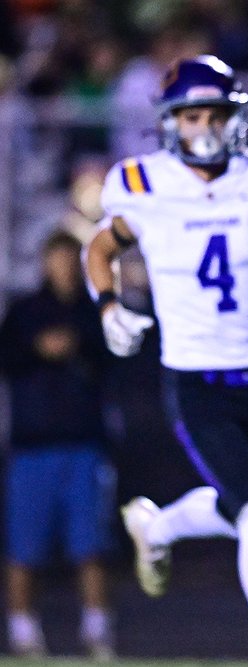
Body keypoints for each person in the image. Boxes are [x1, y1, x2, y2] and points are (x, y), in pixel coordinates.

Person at [84, 55, 248, 667]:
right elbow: (99, 248)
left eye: (216, 114)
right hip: (195, 375)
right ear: (169, 122)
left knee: (241, 504)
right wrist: (108, 306)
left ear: (237, 118)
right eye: (192, 115)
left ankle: (158, 527)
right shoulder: (143, 183)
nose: (204, 127)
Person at [0, 230, 116, 660]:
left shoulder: (93, 312)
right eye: (58, 259)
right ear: (46, 263)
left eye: (71, 260)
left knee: (91, 545)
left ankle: (98, 632)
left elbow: (115, 361)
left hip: (84, 445)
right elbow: (8, 359)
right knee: (23, 548)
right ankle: (23, 632)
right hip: (32, 448)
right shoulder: (25, 313)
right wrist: (38, 349)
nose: (64, 268)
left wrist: (78, 345)